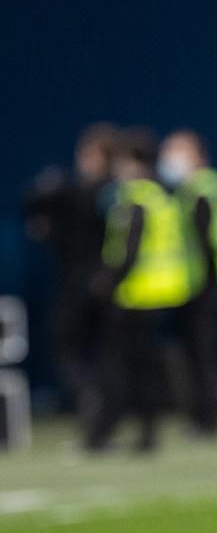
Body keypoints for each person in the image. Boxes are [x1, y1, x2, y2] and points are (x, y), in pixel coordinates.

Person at [87, 128, 192, 452]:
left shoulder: (135, 199)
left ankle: (108, 432)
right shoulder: (161, 196)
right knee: (148, 367)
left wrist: (106, 282)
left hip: (136, 296)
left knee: (124, 368)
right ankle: (147, 433)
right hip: (162, 293)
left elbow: (129, 251)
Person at [158, 129, 217, 437]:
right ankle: (202, 417)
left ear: (198, 155)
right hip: (198, 282)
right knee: (196, 353)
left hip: (207, 282)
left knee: (203, 354)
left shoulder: (203, 189)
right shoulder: (192, 189)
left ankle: (209, 419)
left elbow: (209, 241)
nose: (170, 158)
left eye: (178, 151)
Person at [23, 123, 116, 432]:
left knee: (69, 345)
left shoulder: (96, 192)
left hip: (85, 282)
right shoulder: (92, 190)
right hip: (100, 281)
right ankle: (96, 409)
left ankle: (91, 397)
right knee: (92, 351)